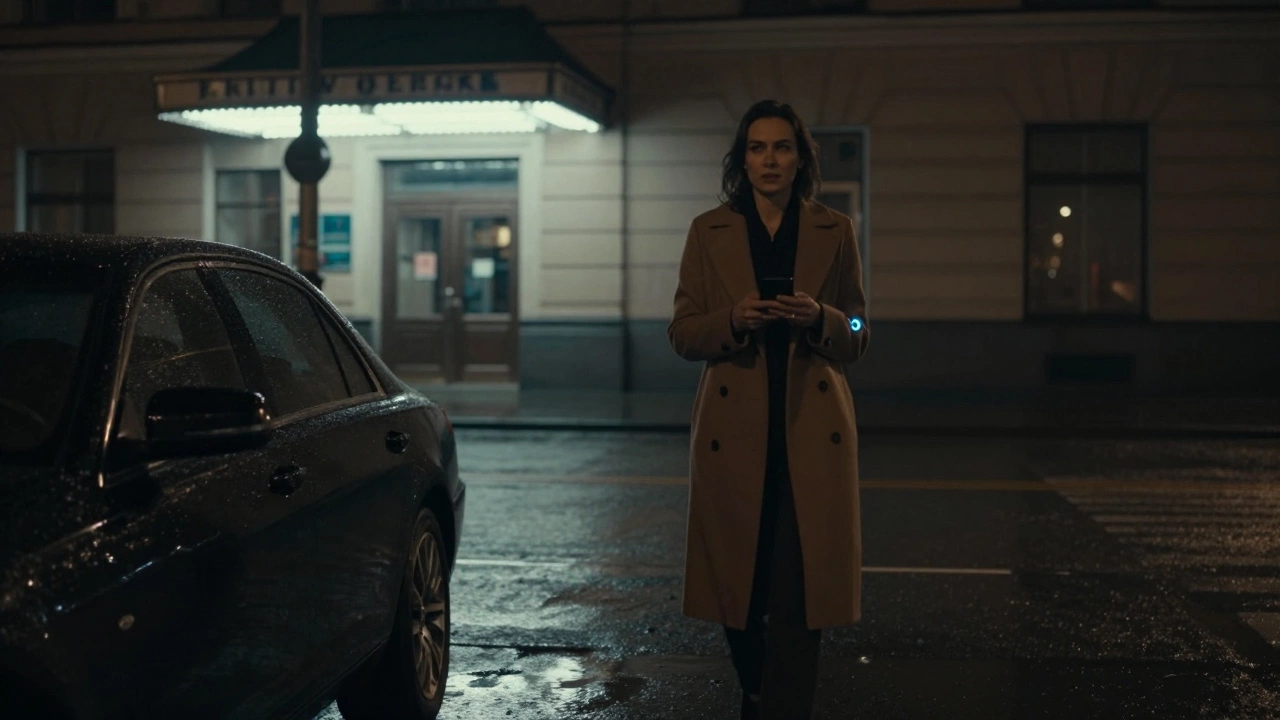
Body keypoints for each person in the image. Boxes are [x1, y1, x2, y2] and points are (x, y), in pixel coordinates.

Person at [667, 99, 869, 719]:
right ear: (742, 159)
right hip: (734, 436)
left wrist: (823, 318)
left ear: (801, 158)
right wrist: (732, 319)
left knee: (801, 595)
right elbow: (681, 332)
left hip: (811, 436)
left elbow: (860, 328)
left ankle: (785, 709)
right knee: (739, 591)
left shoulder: (836, 229)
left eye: (782, 147)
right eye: (757, 148)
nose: (770, 160)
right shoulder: (710, 229)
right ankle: (756, 686)